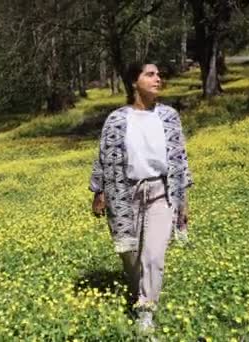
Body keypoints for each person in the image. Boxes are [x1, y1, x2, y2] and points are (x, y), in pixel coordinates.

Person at [89, 62, 193, 333]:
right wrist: (99, 191)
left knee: (154, 256)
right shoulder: (117, 119)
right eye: (150, 74)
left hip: (161, 192)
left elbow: (180, 159)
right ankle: (138, 291)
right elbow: (104, 157)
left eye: (158, 75)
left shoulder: (169, 116)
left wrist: (183, 201)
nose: (157, 79)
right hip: (126, 195)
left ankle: (145, 314)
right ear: (134, 82)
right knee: (131, 257)